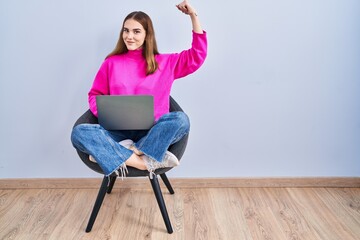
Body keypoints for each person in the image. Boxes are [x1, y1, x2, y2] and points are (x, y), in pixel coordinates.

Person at [71, 0, 207, 178]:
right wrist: (105, 113)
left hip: (153, 133)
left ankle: (122, 152)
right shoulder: (111, 63)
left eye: (136, 31)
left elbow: (198, 55)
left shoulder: (166, 63)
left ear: (147, 35)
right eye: (126, 31)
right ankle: (142, 163)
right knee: (79, 132)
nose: (129, 36)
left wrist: (193, 16)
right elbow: (95, 95)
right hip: (117, 132)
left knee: (181, 120)